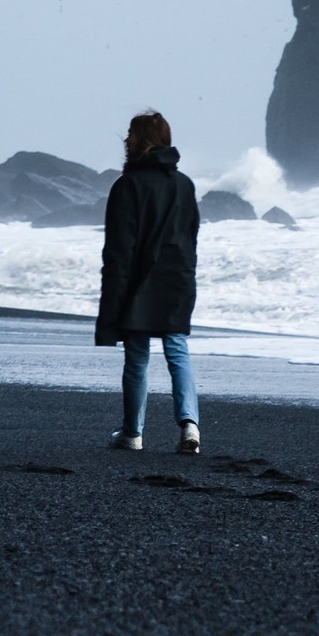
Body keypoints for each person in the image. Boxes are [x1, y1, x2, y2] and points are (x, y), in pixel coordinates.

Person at [96, 109, 201, 453]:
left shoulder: (128, 184)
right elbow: (191, 235)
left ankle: (132, 433)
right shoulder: (184, 184)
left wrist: (113, 295)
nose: (126, 139)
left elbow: (119, 247)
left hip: (140, 278)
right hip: (178, 276)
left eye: (131, 134)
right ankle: (189, 427)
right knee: (177, 350)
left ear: (142, 141)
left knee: (137, 356)